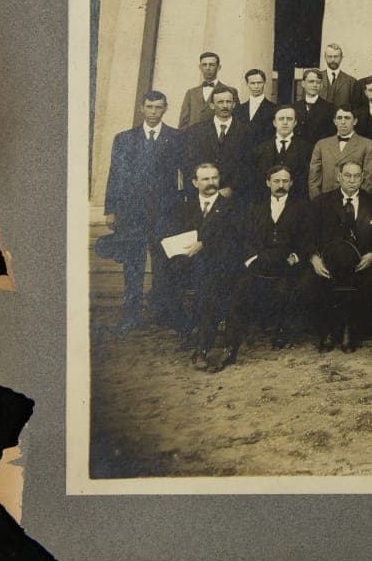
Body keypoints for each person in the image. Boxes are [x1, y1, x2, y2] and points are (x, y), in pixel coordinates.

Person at [103, 90, 184, 332]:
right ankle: (132, 314)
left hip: (164, 213)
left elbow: (184, 176)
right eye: (149, 107)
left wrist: (180, 209)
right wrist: (111, 209)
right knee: (133, 264)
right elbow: (115, 175)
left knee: (163, 263)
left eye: (158, 107)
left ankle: (161, 311)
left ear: (165, 109)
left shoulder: (176, 138)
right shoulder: (125, 139)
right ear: (141, 108)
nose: (153, 112)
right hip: (132, 213)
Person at [228, 163, 313, 362]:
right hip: (260, 262)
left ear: (291, 183)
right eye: (276, 181)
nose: (280, 185)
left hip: (286, 263)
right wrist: (252, 260)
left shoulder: (302, 207)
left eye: (285, 181)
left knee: (287, 288)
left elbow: (307, 238)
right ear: (268, 183)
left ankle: (283, 331)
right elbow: (246, 238)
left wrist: (295, 257)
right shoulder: (255, 207)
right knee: (241, 288)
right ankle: (232, 342)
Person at [163, 162, 244, 369]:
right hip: (189, 265)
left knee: (210, 289)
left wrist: (206, 243)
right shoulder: (184, 208)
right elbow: (173, 236)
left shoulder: (232, 207)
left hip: (221, 265)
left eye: (214, 178)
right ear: (195, 182)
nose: (211, 183)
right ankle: (192, 334)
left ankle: (203, 348)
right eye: (205, 179)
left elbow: (236, 240)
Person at [305, 159, 372, 352]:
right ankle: (329, 331)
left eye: (357, 176)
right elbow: (309, 235)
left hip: (360, 262)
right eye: (347, 176)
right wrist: (314, 258)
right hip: (328, 262)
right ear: (339, 177)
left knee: (369, 282)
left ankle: (350, 330)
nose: (352, 180)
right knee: (313, 282)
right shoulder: (322, 202)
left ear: (362, 178)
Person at [183, 87, 250, 201]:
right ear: (212, 106)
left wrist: (231, 188)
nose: (225, 106)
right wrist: (203, 186)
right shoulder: (196, 131)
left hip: (234, 196)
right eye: (220, 102)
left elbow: (248, 165)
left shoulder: (246, 131)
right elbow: (190, 162)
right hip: (202, 194)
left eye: (228, 102)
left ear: (234, 104)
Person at [309, 105, 372, 199]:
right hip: (327, 203)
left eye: (347, 118)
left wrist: (355, 201)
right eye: (339, 118)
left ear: (355, 121)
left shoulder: (367, 145)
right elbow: (314, 180)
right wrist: (318, 202)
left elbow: (369, 180)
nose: (343, 122)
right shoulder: (321, 145)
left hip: (353, 202)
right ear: (335, 121)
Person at [251, 105, 311, 201]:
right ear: (274, 122)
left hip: (295, 203)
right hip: (265, 203)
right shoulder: (260, 149)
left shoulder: (306, 149)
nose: (285, 122)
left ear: (295, 123)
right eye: (281, 119)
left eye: (289, 119)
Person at [178, 51, 238, 129]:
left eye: (212, 65)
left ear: (219, 67)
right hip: (194, 138)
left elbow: (236, 120)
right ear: (200, 67)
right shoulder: (191, 93)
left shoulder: (231, 91)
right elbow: (183, 122)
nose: (208, 68)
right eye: (204, 65)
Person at [292, 69, 336, 144]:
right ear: (303, 83)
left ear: (321, 85)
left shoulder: (330, 108)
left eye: (318, 82)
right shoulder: (294, 107)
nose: (315, 85)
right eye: (311, 81)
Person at [235, 68, 276, 142]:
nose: (256, 86)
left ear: (264, 83)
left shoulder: (274, 108)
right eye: (252, 83)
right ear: (247, 84)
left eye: (259, 83)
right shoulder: (239, 109)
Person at [321, 42, 357, 112]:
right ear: (325, 57)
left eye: (336, 56)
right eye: (330, 56)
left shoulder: (351, 81)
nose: (333, 60)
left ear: (341, 58)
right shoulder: (317, 78)